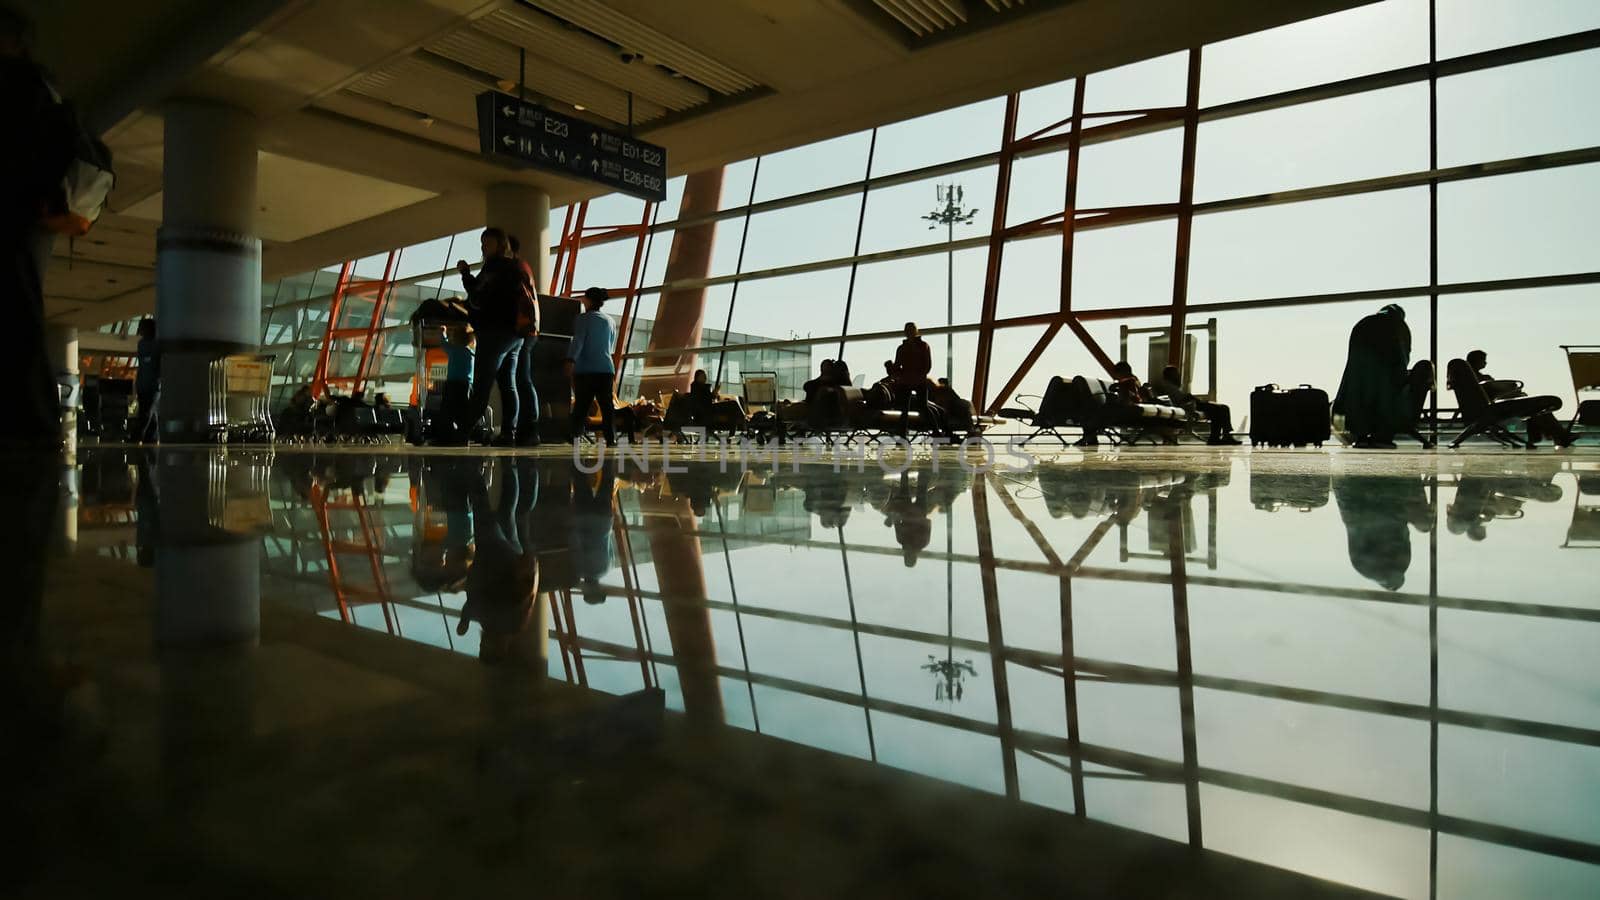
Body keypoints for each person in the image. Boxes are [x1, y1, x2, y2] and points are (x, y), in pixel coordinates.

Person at [1, 9, 65, 448]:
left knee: (19, 315)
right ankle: (32, 424)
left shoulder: (22, 87)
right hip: (29, 217)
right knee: (20, 314)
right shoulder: (37, 88)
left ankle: (34, 425)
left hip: (20, 216)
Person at [456, 227, 527, 446]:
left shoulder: (495, 268)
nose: (483, 248)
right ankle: (509, 432)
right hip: (515, 333)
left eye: (487, 244)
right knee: (508, 384)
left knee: (482, 383)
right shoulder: (514, 269)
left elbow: (479, 294)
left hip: (495, 332)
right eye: (482, 244)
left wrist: (466, 276)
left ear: (500, 245)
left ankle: (462, 432)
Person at [1332, 304, 1433, 448]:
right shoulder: (1397, 326)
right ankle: (1383, 436)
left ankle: (1362, 436)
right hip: (1389, 397)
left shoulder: (1363, 325)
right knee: (1386, 397)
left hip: (1359, 390)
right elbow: (1402, 358)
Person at [1457, 349, 1573, 447]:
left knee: (1536, 409)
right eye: (1483, 360)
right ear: (1477, 361)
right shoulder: (1481, 379)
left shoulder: (1468, 380)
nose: (1485, 363)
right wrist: (1510, 387)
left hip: (1491, 407)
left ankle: (1546, 436)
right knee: (1538, 407)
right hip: (1494, 409)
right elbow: (1493, 390)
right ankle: (1551, 436)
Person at [566, 286, 616, 445]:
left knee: (581, 405)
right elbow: (611, 346)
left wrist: (570, 360)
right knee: (607, 407)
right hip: (606, 369)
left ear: (588, 300)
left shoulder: (582, 319)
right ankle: (611, 438)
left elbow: (578, 341)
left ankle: (574, 436)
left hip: (586, 370)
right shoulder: (610, 321)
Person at [506, 234, 540, 446]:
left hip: (519, 329)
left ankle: (524, 428)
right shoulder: (523, 267)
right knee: (523, 380)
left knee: (518, 381)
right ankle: (529, 429)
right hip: (529, 328)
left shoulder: (512, 269)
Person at [1157, 364, 1241, 445]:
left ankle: (1217, 437)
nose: (1178, 376)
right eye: (1176, 374)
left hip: (1189, 404)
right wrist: (1192, 398)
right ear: (1171, 375)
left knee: (1220, 409)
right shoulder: (1168, 386)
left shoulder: (1170, 386)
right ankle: (1222, 436)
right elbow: (1180, 399)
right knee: (1222, 408)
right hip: (1188, 405)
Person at [892, 322, 933, 435]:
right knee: (921, 407)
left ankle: (903, 434)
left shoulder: (902, 348)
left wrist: (898, 373)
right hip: (917, 380)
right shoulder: (923, 346)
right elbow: (927, 366)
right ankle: (935, 432)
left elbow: (897, 366)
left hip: (908, 381)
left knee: (907, 409)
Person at [437, 325, 474, 439]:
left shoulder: (453, 350)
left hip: (452, 384)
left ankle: (447, 432)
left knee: (447, 408)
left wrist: (443, 332)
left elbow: (443, 343)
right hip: (466, 385)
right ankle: (463, 433)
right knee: (463, 408)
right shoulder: (471, 354)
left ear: (455, 339)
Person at [133, 317, 160, 442]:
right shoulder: (141, 344)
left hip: (152, 384)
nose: (140, 330)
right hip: (143, 383)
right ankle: (152, 439)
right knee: (150, 412)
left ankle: (138, 435)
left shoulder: (155, 344)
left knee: (146, 411)